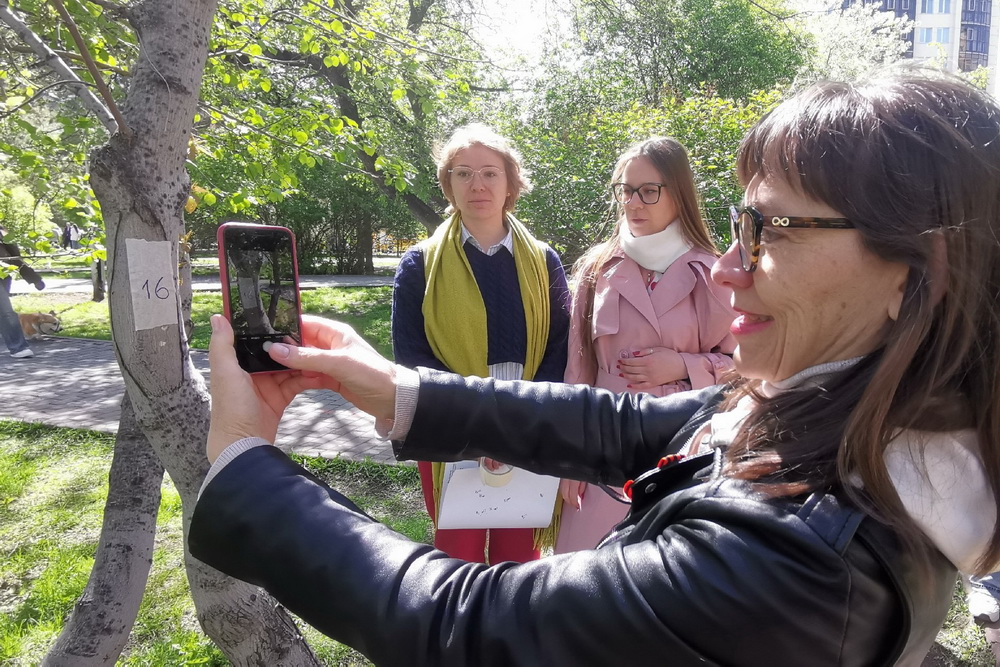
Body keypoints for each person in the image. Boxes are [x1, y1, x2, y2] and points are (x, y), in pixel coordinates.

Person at [190, 70, 1000, 665]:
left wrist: (246, 466)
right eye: (738, 224)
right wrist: (389, 384)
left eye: (772, 230)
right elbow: (614, 421)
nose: (730, 268)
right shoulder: (839, 411)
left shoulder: (795, 562)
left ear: (917, 271)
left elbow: (468, 626)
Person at [391, 123, 570, 564]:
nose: (478, 185)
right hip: (449, 424)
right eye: (464, 173)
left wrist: (521, 421)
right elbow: (411, 357)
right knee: (458, 558)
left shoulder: (544, 261)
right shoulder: (419, 264)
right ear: (448, 184)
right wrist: (475, 427)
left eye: (490, 173)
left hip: (528, 421)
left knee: (520, 561)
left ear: (510, 183)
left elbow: (560, 347)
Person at [556, 137, 735, 553]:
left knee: (664, 568)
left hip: (683, 442)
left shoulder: (713, 273)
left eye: (649, 191)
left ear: (679, 193)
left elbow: (747, 369)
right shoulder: (598, 268)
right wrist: (568, 458)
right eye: (625, 190)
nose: (634, 203)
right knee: (586, 570)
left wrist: (684, 365)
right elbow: (577, 370)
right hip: (603, 442)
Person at [0, 226, 45, 359]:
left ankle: (18, 347)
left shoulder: (2, 232)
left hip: (2, 276)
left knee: (5, 312)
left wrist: (34, 279)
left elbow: (14, 257)